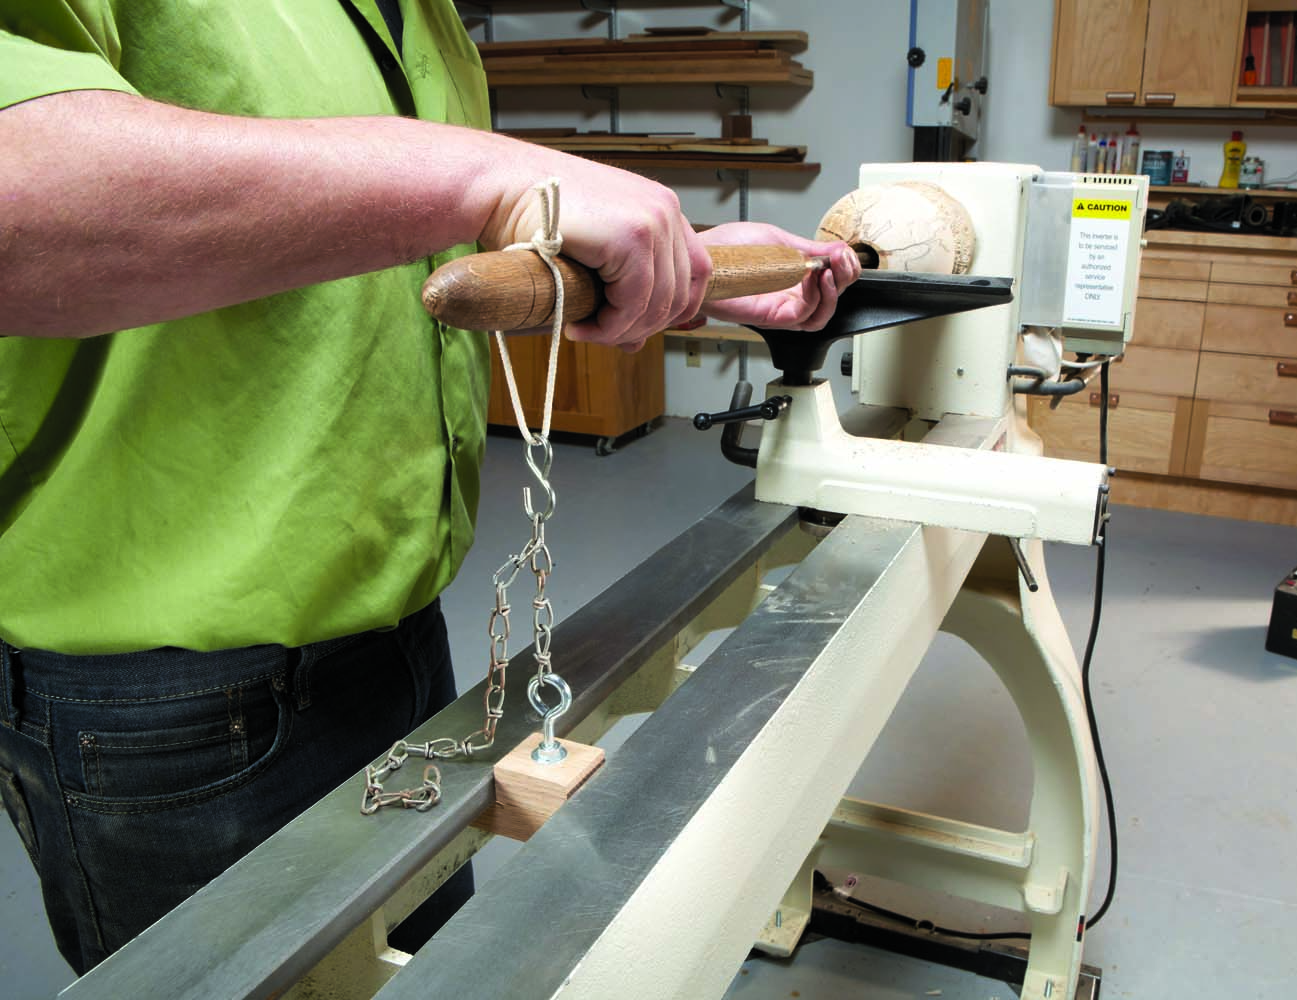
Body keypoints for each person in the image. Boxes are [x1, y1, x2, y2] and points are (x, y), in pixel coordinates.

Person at [0, 1, 859, 977]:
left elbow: (378, 258)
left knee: (438, 970)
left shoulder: (426, 21)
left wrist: (683, 266)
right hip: (168, 700)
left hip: (397, 633)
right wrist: (485, 175)